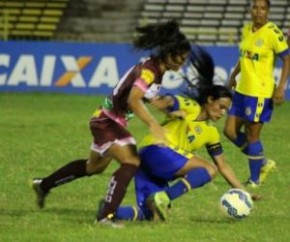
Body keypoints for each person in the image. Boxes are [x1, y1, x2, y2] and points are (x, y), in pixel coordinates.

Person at [32, 19, 191, 227]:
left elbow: (146, 97)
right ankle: (105, 216)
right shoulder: (150, 71)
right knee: (132, 162)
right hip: (108, 122)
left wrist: (169, 110)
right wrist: (154, 125)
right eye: (180, 59)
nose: (182, 64)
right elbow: (133, 99)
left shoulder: (155, 70)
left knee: (93, 167)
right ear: (168, 54)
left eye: (184, 59)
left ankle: (43, 185)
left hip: (107, 120)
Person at [113, 85, 259, 222]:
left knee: (152, 214)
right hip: (156, 149)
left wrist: (244, 192)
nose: (222, 113)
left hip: (148, 160)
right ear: (209, 100)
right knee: (209, 169)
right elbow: (173, 101)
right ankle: (164, 197)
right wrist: (166, 102)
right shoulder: (193, 107)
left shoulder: (212, 133)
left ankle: (109, 211)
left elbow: (223, 165)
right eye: (221, 107)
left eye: (225, 110)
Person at [223, 0, 290, 188]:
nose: (258, 11)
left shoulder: (272, 33)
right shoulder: (246, 29)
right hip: (242, 90)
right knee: (229, 131)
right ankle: (262, 162)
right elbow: (243, 56)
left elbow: (287, 59)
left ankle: (254, 180)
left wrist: (281, 87)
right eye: (255, 7)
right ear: (251, 10)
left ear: (267, 11)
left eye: (262, 8)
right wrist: (234, 75)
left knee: (252, 136)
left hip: (259, 92)